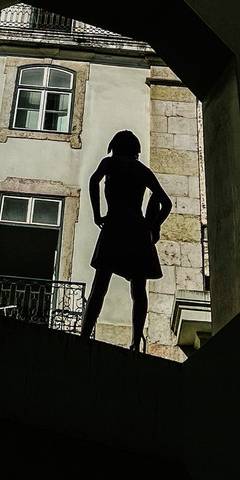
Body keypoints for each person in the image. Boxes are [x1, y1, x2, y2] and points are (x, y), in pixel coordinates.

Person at [81, 130, 172, 351]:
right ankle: (136, 340)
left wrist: (96, 213)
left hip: (115, 224)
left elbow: (93, 182)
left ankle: (84, 334)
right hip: (138, 229)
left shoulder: (109, 163)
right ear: (136, 149)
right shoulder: (142, 170)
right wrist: (153, 227)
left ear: (115, 145)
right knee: (138, 289)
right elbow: (166, 203)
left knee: (100, 284)